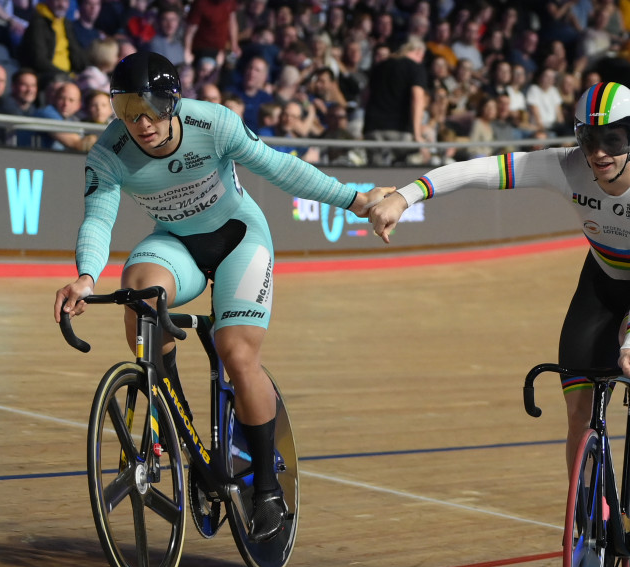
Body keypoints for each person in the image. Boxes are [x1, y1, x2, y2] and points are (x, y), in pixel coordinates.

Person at [53, 52, 393, 542]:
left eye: (149, 108)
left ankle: (269, 490)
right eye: (127, 109)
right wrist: (86, 277)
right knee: (137, 295)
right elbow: (98, 218)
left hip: (239, 239)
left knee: (236, 352)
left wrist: (355, 198)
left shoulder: (211, 124)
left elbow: (280, 168)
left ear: (173, 101)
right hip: (175, 245)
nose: (140, 122)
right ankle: (177, 427)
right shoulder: (109, 152)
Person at [368, 82, 630, 512]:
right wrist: (404, 196)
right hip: (601, 280)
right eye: (588, 138)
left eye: (612, 139)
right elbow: (481, 170)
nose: (598, 153)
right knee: (578, 415)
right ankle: (588, 524)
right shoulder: (567, 165)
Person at [362, 36, 429, 167]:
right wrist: (417, 134)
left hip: (373, 128)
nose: (421, 60)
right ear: (418, 51)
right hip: (399, 131)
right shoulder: (415, 67)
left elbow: (365, 96)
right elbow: (417, 98)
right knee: (400, 178)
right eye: (422, 56)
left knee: (375, 177)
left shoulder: (380, 66)